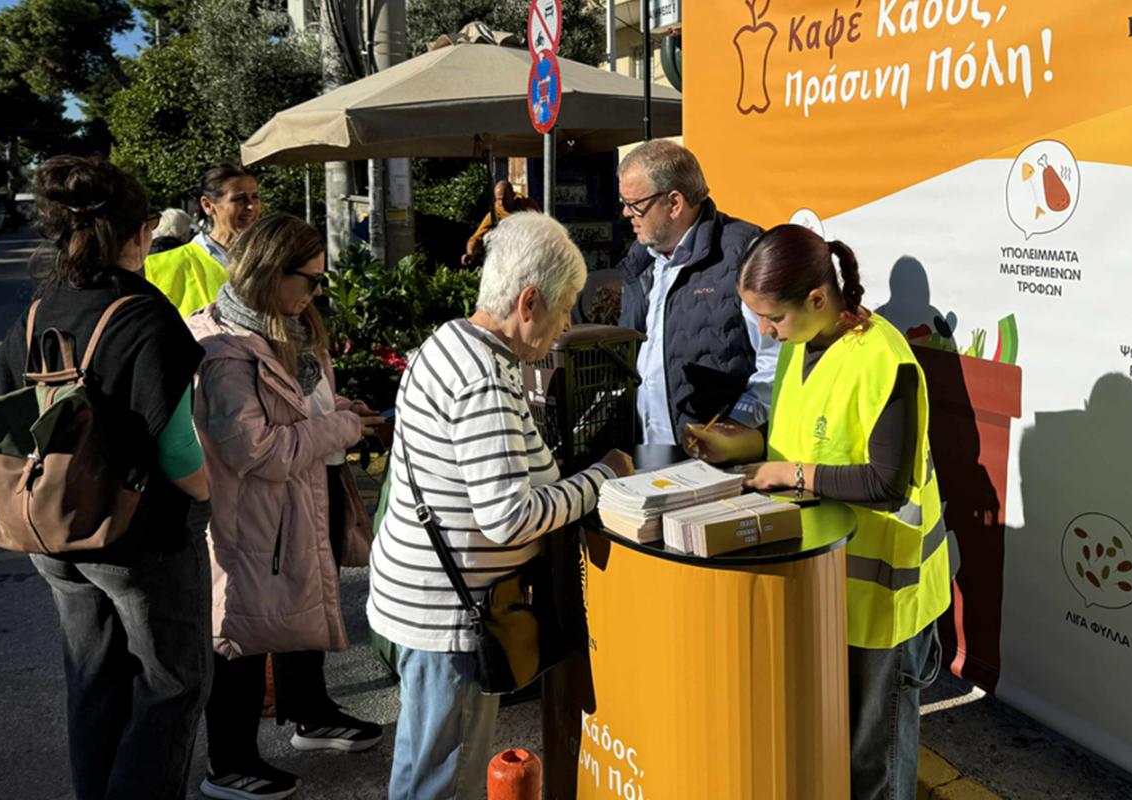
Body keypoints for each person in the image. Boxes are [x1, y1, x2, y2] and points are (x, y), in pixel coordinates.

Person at [372, 212, 635, 800]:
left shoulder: (451, 341)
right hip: (452, 620)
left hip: (424, 601)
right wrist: (602, 478)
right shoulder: (484, 376)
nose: (569, 321)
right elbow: (508, 517)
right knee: (445, 778)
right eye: (567, 306)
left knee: (422, 768)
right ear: (529, 301)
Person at [686, 225, 950, 800]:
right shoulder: (798, 346)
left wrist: (790, 475)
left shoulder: (884, 359)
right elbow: (798, 445)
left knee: (873, 762)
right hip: (825, 583)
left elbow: (885, 482)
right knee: (831, 750)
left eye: (771, 318)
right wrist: (742, 448)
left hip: (886, 597)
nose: (764, 331)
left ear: (816, 298)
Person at [0, 156, 213, 799]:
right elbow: (177, 453)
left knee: (93, 677)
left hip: (49, 531)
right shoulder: (144, 313)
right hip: (136, 535)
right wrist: (211, 493)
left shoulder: (36, 310)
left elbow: (0, 424)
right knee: (172, 684)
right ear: (139, 232)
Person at [186, 214, 384, 800]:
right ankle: (229, 764)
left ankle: (312, 714)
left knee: (299, 607)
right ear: (272, 273)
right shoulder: (223, 350)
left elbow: (299, 407)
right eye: (311, 279)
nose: (318, 291)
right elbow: (257, 450)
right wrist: (342, 426)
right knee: (243, 634)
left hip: (300, 496)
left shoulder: (290, 325)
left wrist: (342, 406)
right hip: (253, 512)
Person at [615, 140, 781, 448]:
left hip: (720, 466)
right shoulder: (639, 264)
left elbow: (777, 359)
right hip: (647, 457)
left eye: (634, 203)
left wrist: (735, 427)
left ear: (674, 203)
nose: (626, 213)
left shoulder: (743, 251)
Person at [147, 163, 262, 317]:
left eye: (256, 197)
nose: (251, 207)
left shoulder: (274, 258)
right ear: (208, 205)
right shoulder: (160, 267)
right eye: (239, 199)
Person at [460, 180, 540, 266]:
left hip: (530, 251)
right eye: (498, 199)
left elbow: (541, 226)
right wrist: (470, 253)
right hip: (509, 257)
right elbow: (477, 237)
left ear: (513, 195)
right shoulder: (496, 214)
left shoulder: (528, 206)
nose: (501, 203)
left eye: (504, 199)